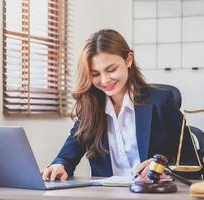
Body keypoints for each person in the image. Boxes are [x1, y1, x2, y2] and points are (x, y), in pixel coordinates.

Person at [42, 29, 201, 182]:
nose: (104, 80)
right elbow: (67, 155)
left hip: (151, 194)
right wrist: (59, 165)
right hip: (107, 195)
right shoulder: (90, 107)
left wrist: (166, 170)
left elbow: (192, 163)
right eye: (95, 74)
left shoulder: (162, 102)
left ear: (128, 59)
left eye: (111, 70)